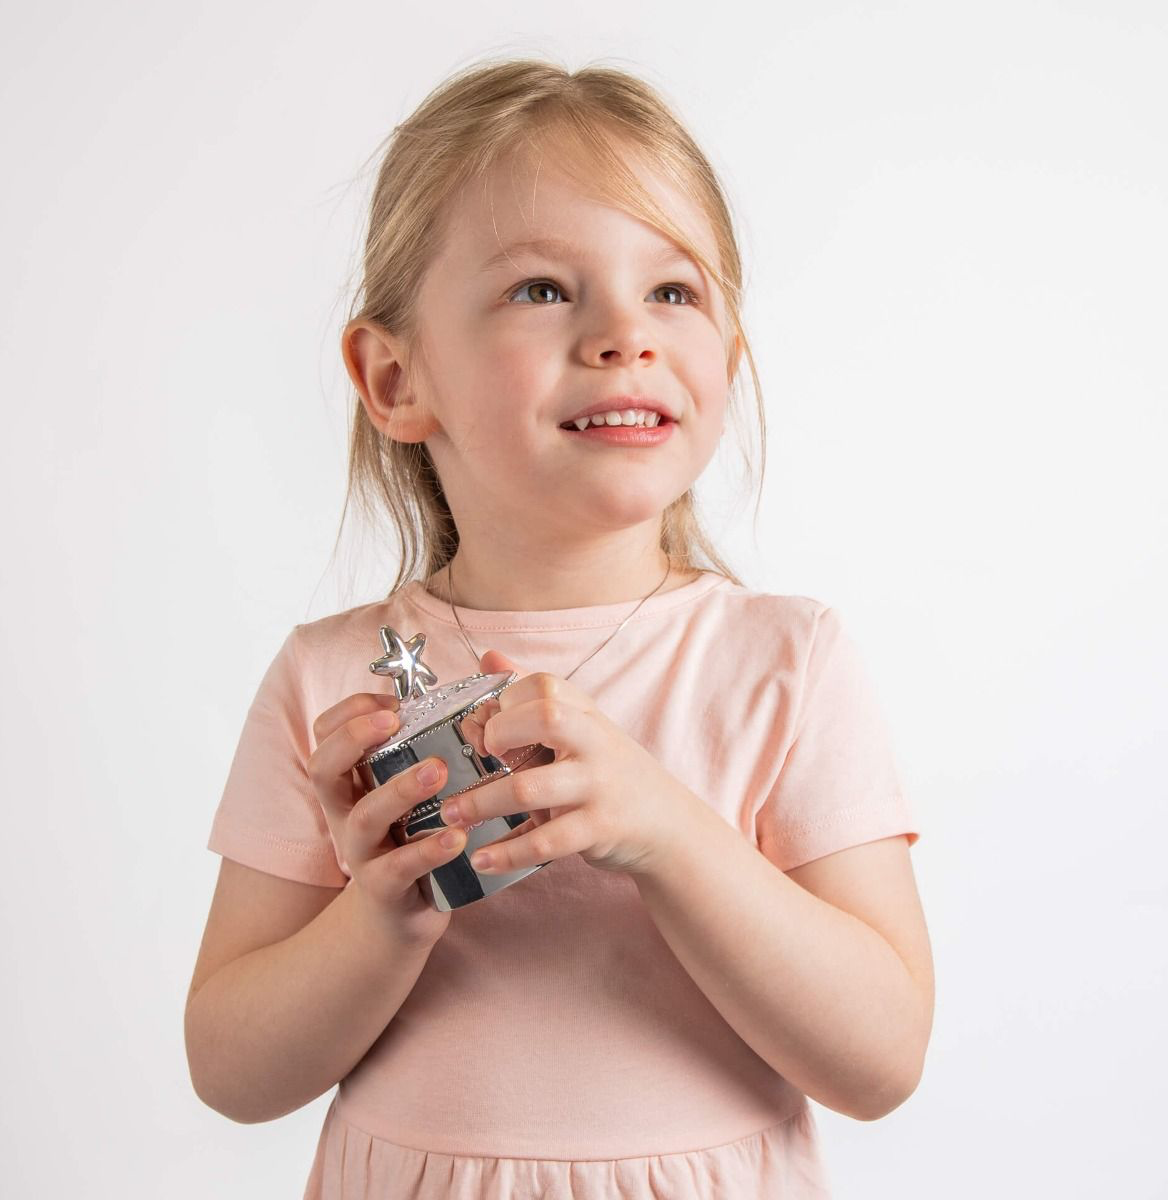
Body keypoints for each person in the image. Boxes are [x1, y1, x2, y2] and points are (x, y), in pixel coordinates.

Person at [184, 54, 934, 1199]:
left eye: (673, 292)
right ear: (395, 378)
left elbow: (882, 1059)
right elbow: (231, 1072)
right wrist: (382, 915)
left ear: (727, 359)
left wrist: (669, 832)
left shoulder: (785, 663)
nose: (626, 334)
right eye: (542, 289)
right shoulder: (330, 681)